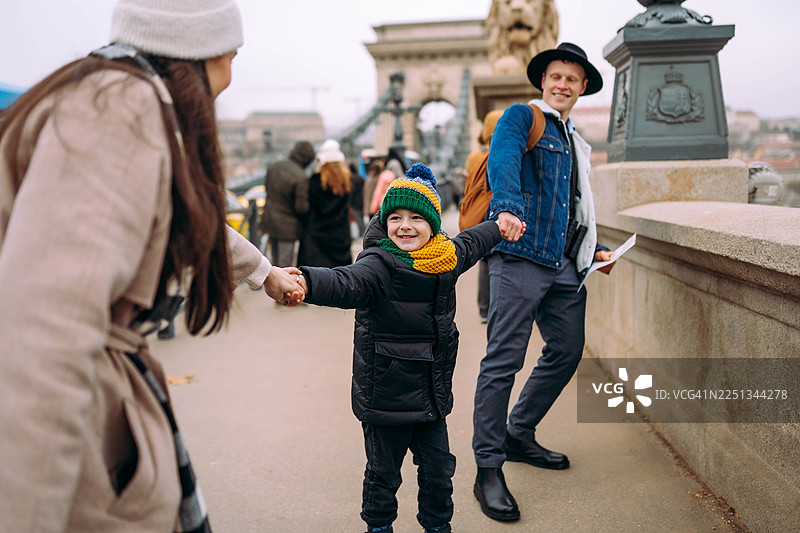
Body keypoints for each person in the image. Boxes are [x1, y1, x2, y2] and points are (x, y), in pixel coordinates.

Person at [0, 1, 303, 531]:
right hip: (72, 430)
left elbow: (189, 220)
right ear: (201, 50)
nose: (234, 67)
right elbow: (46, 336)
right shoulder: (121, 110)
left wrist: (264, 272)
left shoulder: (109, 91)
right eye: (232, 50)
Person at [290, 163, 522, 533]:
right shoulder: (379, 264)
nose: (405, 226)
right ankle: (379, 527)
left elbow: (472, 242)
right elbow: (346, 282)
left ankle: (437, 527)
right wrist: (307, 280)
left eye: (416, 217)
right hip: (386, 398)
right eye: (394, 217)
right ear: (384, 222)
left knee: (439, 473)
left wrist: (499, 226)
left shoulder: (444, 258)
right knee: (383, 476)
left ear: (433, 225)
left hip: (431, 397)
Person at [471, 42, 616, 521]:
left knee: (567, 349)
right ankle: (488, 468)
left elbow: (572, 204)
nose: (562, 85)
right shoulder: (521, 116)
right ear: (543, 81)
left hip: (563, 264)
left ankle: (518, 432)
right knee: (503, 362)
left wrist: (590, 247)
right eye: (556, 76)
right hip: (518, 255)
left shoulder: (575, 139)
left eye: (572, 80)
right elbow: (504, 158)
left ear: (582, 89)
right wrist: (506, 206)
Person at [463, 109, 504, 324]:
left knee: (485, 260)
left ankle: (484, 309)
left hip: (481, 215)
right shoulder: (507, 152)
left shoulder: (474, 157)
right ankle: (499, 308)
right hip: (499, 212)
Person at [295, 139, 354, 267]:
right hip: (340, 235)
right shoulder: (347, 182)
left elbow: (308, 207)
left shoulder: (315, 181)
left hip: (317, 236)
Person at [260, 139, 316, 266]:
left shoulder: (274, 166)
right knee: (285, 265)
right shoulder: (300, 176)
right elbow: (301, 208)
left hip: (269, 220)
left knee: (273, 263)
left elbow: (267, 189)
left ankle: (272, 286)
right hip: (287, 227)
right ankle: (282, 287)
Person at [349, 161, 367, 238]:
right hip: (362, 199)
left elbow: (351, 191)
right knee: (361, 217)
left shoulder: (351, 179)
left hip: (355, 201)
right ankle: (363, 232)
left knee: (358, 217)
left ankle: (362, 233)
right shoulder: (360, 177)